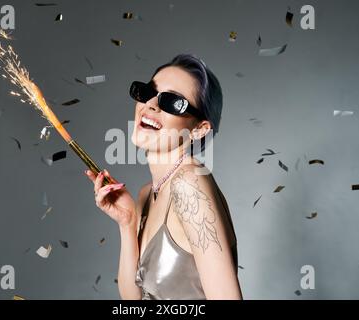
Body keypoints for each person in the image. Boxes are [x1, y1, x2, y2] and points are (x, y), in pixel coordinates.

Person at [85, 54, 242, 300]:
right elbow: (134, 300)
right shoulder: (147, 193)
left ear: (199, 129)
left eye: (171, 102)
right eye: (149, 92)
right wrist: (127, 224)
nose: (151, 105)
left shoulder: (189, 183)